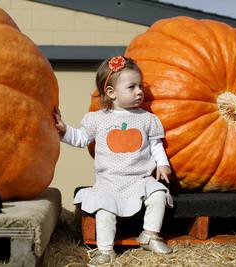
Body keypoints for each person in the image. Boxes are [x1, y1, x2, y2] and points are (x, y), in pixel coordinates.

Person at [54, 56, 174, 267]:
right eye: (132, 87)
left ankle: (150, 235)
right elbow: (81, 139)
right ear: (111, 92)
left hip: (141, 179)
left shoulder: (147, 119)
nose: (139, 91)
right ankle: (105, 251)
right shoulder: (98, 118)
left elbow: (156, 146)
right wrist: (65, 130)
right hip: (109, 182)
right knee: (104, 211)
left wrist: (163, 164)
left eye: (140, 86)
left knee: (158, 195)